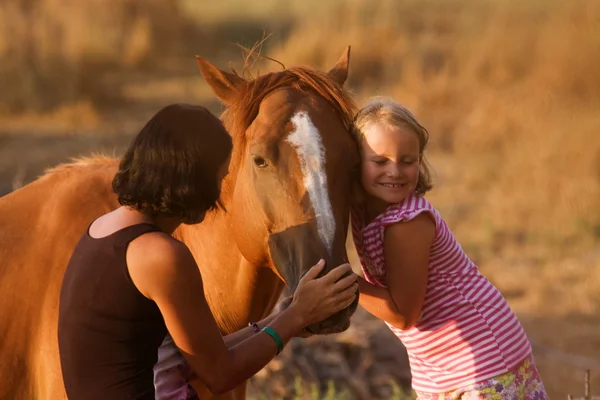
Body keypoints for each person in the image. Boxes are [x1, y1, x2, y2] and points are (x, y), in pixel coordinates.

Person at [57, 103, 358, 400]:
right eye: (219, 177)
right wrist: (295, 316)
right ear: (192, 180)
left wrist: (281, 317)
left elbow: (195, 356)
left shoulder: (102, 229)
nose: (219, 193)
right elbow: (219, 374)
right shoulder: (160, 256)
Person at [349, 97, 548, 399]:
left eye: (408, 160)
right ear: (355, 162)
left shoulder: (407, 223)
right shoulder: (363, 212)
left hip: (481, 359)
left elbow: (403, 314)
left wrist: (344, 283)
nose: (395, 171)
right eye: (380, 161)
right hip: (440, 364)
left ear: (421, 161)